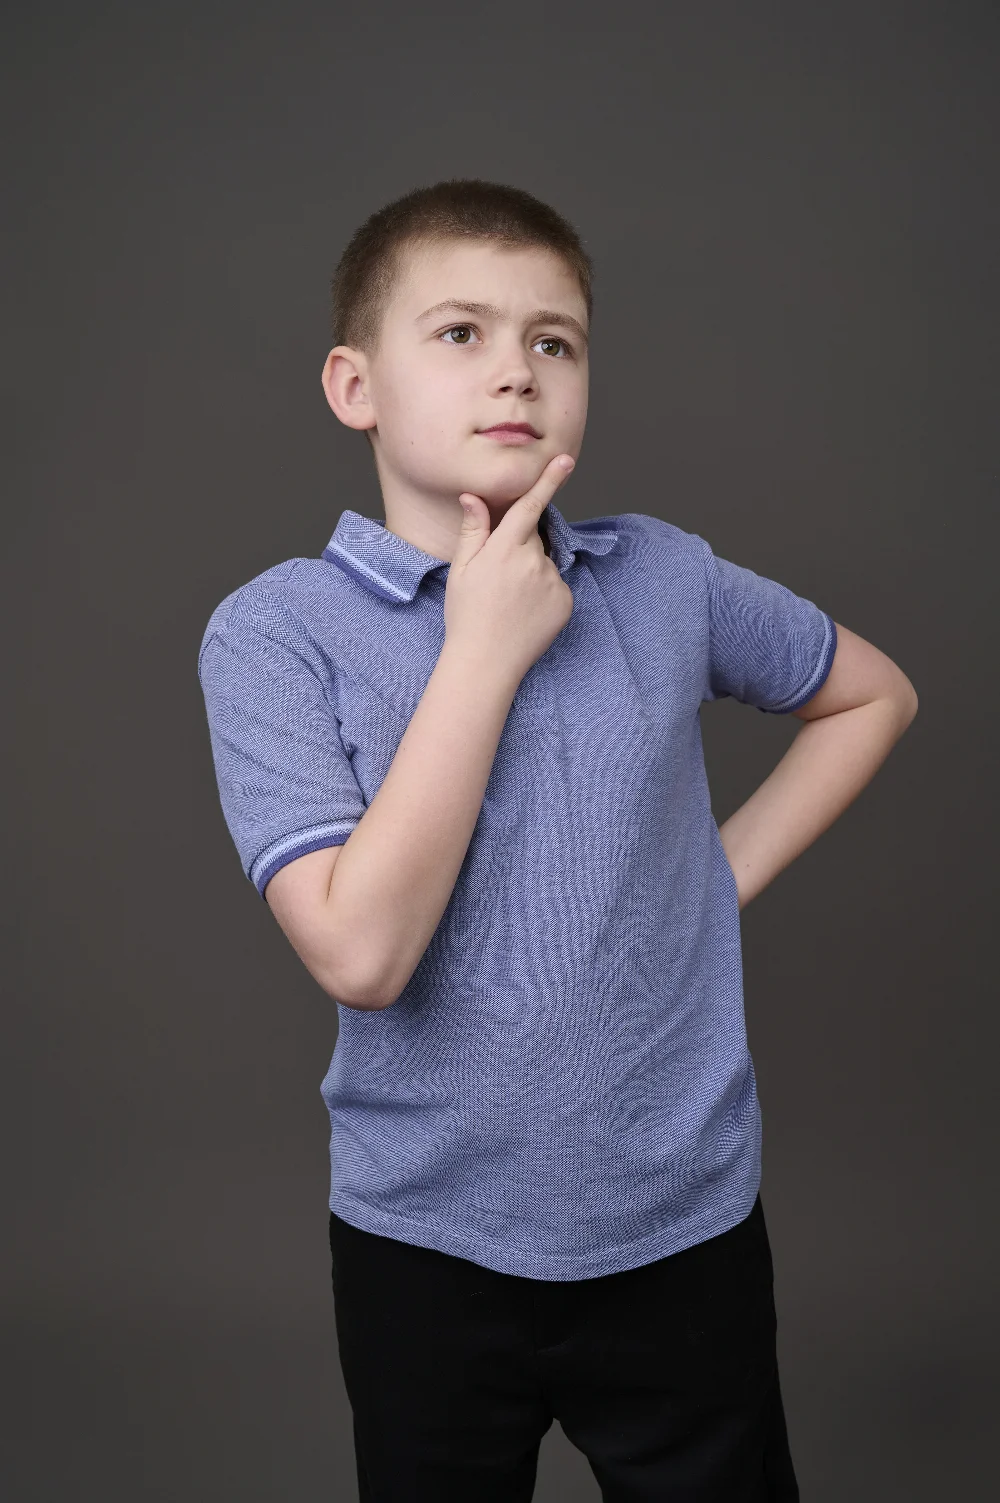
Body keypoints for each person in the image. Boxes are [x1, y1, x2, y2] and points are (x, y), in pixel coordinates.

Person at [196, 180, 918, 1501]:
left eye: (554, 341)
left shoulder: (664, 578)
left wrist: (712, 879)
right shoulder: (277, 631)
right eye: (460, 332)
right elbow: (360, 954)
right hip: (424, 1246)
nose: (517, 371)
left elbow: (874, 695)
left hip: (681, 1228)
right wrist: (481, 651)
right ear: (355, 386)